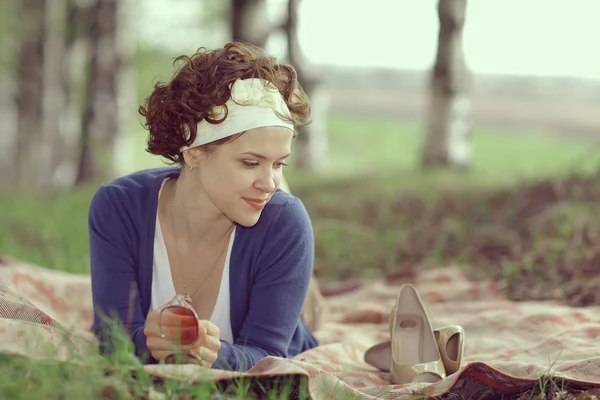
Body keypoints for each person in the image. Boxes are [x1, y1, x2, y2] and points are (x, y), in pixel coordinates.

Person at [88, 42, 319, 371]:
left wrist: (215, 355)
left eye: (279, 164)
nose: (269, 183)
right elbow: (113, 341)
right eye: (251, 162)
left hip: (285, 334)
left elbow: (267, 355)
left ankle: (311, 295)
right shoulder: (119, 207)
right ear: (193, 151)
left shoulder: (286, 224)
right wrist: (146, 342)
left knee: (306, 304)